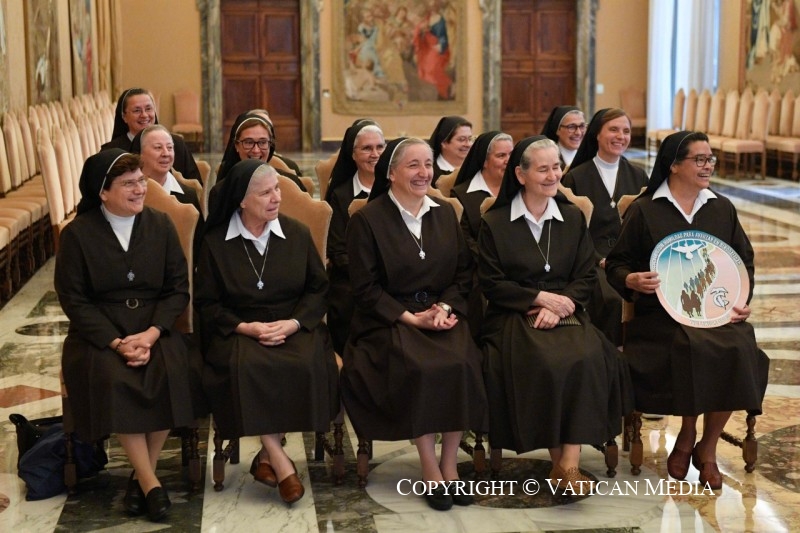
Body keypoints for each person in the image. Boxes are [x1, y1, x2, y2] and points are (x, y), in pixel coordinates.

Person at [605, 131, 769, 490]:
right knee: (690, 346)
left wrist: (741, 298)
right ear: (674, 165)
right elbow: (616, 264)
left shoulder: (721, 208)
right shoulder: (645, 210)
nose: (708, 166)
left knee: (739, 346)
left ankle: (706, 447)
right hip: (661, 316)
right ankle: (687, 433)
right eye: (700, 159)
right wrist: (631, 279)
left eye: (711, 159)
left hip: (716, 312)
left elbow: (743, 260)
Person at [341, 137, 487, 511]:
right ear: (390, 173)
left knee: (461, 362)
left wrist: (444, 307)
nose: (424, 173)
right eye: (413, 165)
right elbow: (365, 288)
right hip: (388, 319)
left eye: (428, 164)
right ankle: (429, 467)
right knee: (421, 367)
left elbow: (463, 274)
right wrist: (410, 318)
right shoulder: (366, 221)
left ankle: (450, 465)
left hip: (440, 313)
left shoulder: (445, 213)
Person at [478, 136, 630, 492]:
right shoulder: (495, 222)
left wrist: (563, 303)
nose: (553, 176)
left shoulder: (572, 217)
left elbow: (587, 275)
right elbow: (491, 283)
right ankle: (561, 463)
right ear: (520, 175)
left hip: (567, 310)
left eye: (557, 167)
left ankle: (568, 464)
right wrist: (538, 299)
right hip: (514, 314)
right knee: (545, 361)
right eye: (543, 169)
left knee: (588, 357)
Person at [55, 149, 194, 521]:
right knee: (115, 376)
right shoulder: (77, 235)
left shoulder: (161, 225)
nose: (139, 189)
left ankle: (142, 479)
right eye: (128, 184)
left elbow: (177, 289)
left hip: (154, 326)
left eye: (140, 181)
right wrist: (116, 342)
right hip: (99, 333)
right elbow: (74, 299)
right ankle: (151, 483)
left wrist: (151, 334)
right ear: (103, 192)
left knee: (172, 369)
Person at [194, 160, 338, 504]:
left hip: (292, 324)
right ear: (242, 200)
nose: (276, 198)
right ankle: (280, 460)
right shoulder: (216, 242)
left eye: (277, 189)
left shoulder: (297, 233)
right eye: (265, 193)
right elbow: (207, 303)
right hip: (239, 328)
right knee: (248, 366)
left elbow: (318, 289)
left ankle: (265, 456)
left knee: (303, 363)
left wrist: (294, 323)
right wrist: (245, 327)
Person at [562, 108, 649, 346]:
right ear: (597, 134)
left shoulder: (639, 176)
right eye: (613, 130)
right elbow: (570, 233)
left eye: (626, 131)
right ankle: (610, 355)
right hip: (591, 259)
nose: (621, 136)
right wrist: (599, 259)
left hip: (629, 257)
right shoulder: (576, 177)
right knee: (612, 298)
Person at [324, 119, 385, 354]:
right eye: (367, 148)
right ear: (353, 154)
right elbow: (338, 252)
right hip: (353, 279)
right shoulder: (341, 195)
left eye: (380, 147)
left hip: (397, 276)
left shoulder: (398, 187)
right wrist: (374, 274)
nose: (375, 154)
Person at [450, 130, 513, 336]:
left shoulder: (521, 188)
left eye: (511, 155)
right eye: (501, 155)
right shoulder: (461, 194)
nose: (508, 160)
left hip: (520, 263)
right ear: (484, 161)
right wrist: (495, 263)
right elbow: (464, 239)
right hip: (479, 266)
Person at [210, 112, 305, 214]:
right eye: (248, 142)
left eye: (262, 142)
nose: (256, 150)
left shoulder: (294, 183)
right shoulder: (220, 191)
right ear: (237, 146)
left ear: (270, 145)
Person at [101, 88, 201, 183]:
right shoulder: (110, 152)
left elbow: (196, 185)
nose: (144, 115)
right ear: (124, 117)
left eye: (148, 109)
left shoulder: (177, 144)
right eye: (137, 110)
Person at [132, 125, 202, 213]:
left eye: (170, 148)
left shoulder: (188, 195)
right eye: (158, 147)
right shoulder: (129, 192)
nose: (166, 154)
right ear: (141, 154)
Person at [428, 115, 473, 185]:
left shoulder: (477, 170)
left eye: (470, 139)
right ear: (444, 142)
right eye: (461, 139)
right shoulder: (430, 173)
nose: (468, 144)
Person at [540, 105, 586, 170]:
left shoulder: (589, 157)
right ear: (557, 130)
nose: (578, 133)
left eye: (582, 126)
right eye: (571, 127)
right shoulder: (547, 158)